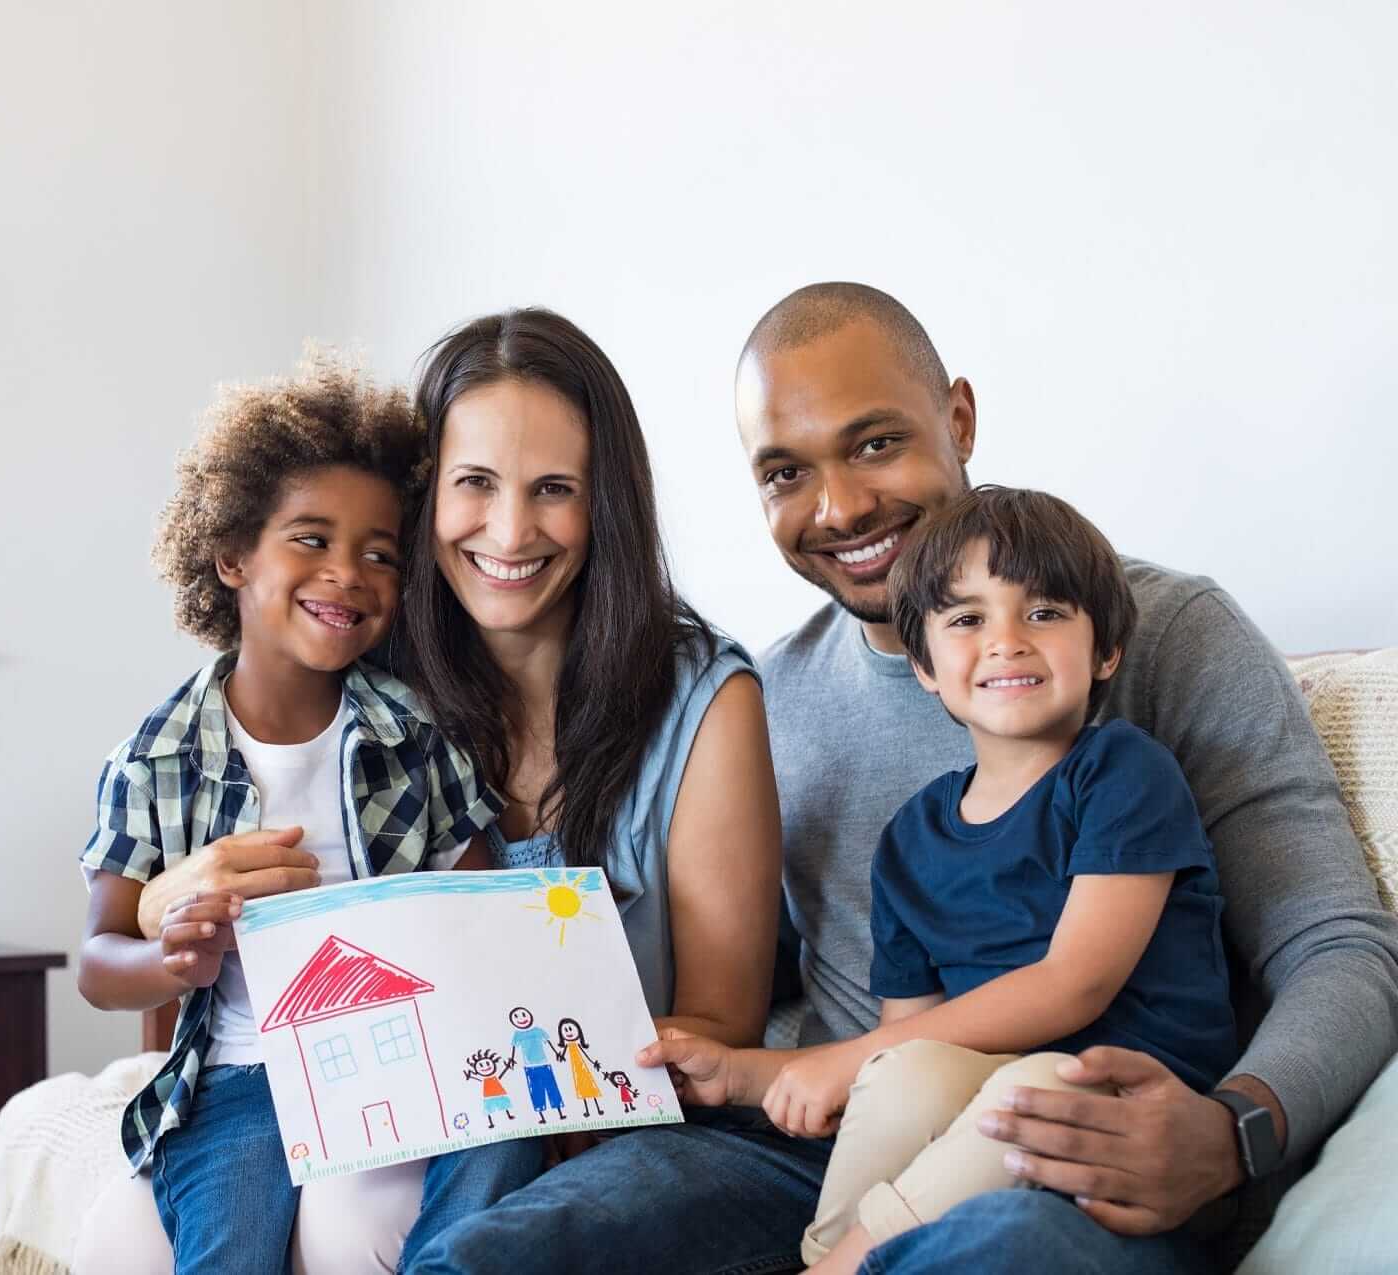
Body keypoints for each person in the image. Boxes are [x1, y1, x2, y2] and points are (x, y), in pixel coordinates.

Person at [413, 283, 1398, 1275]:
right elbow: (779, 996)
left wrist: (1234, 1131)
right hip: (829, 1153)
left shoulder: (1160, 635)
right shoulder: (769, 697)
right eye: (787, 471)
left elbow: (1342, 949)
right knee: (507, 1250)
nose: (840, 506)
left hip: (1076, 1167)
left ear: (958, 418)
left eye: (877, 443)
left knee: (995, 1249)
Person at [139, 307, 786, 1270]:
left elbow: (723, 1024)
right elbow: (205, 889)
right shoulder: (365, 674)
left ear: (605, 504)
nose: (511, 530)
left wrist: (545, 1093)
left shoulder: (706, 700)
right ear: (423, 496)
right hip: (389, 1102)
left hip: (616, 1119)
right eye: (474, 483)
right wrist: (165, 896)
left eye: (554, 489)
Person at [654, 486, 1241, 1274]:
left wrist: (851, 1054)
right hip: (980, 1115)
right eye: (968, 619)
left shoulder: (1122, 772)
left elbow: (1075, 984)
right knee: (909, 1075)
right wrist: (740, 1073)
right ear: (924, 664)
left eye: (1044, 613)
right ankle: (831, 1255)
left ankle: (845, 1264)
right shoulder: (911, 840)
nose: (1006, 642)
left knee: (1031, 1086)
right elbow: (909, 1045)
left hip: (1122, 1106)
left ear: (1105, 651)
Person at [72, 355, 540, 1273]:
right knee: (233, 1244)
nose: (349, 574)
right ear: (233, 552)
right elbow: (97, 958)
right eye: (312, 540)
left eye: (378, 553)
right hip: (242, 1079)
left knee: (505, 1137)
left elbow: (490, 917)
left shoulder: (413, 733)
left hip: (407, 1058)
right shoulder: (157, 756)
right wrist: (174, 957)